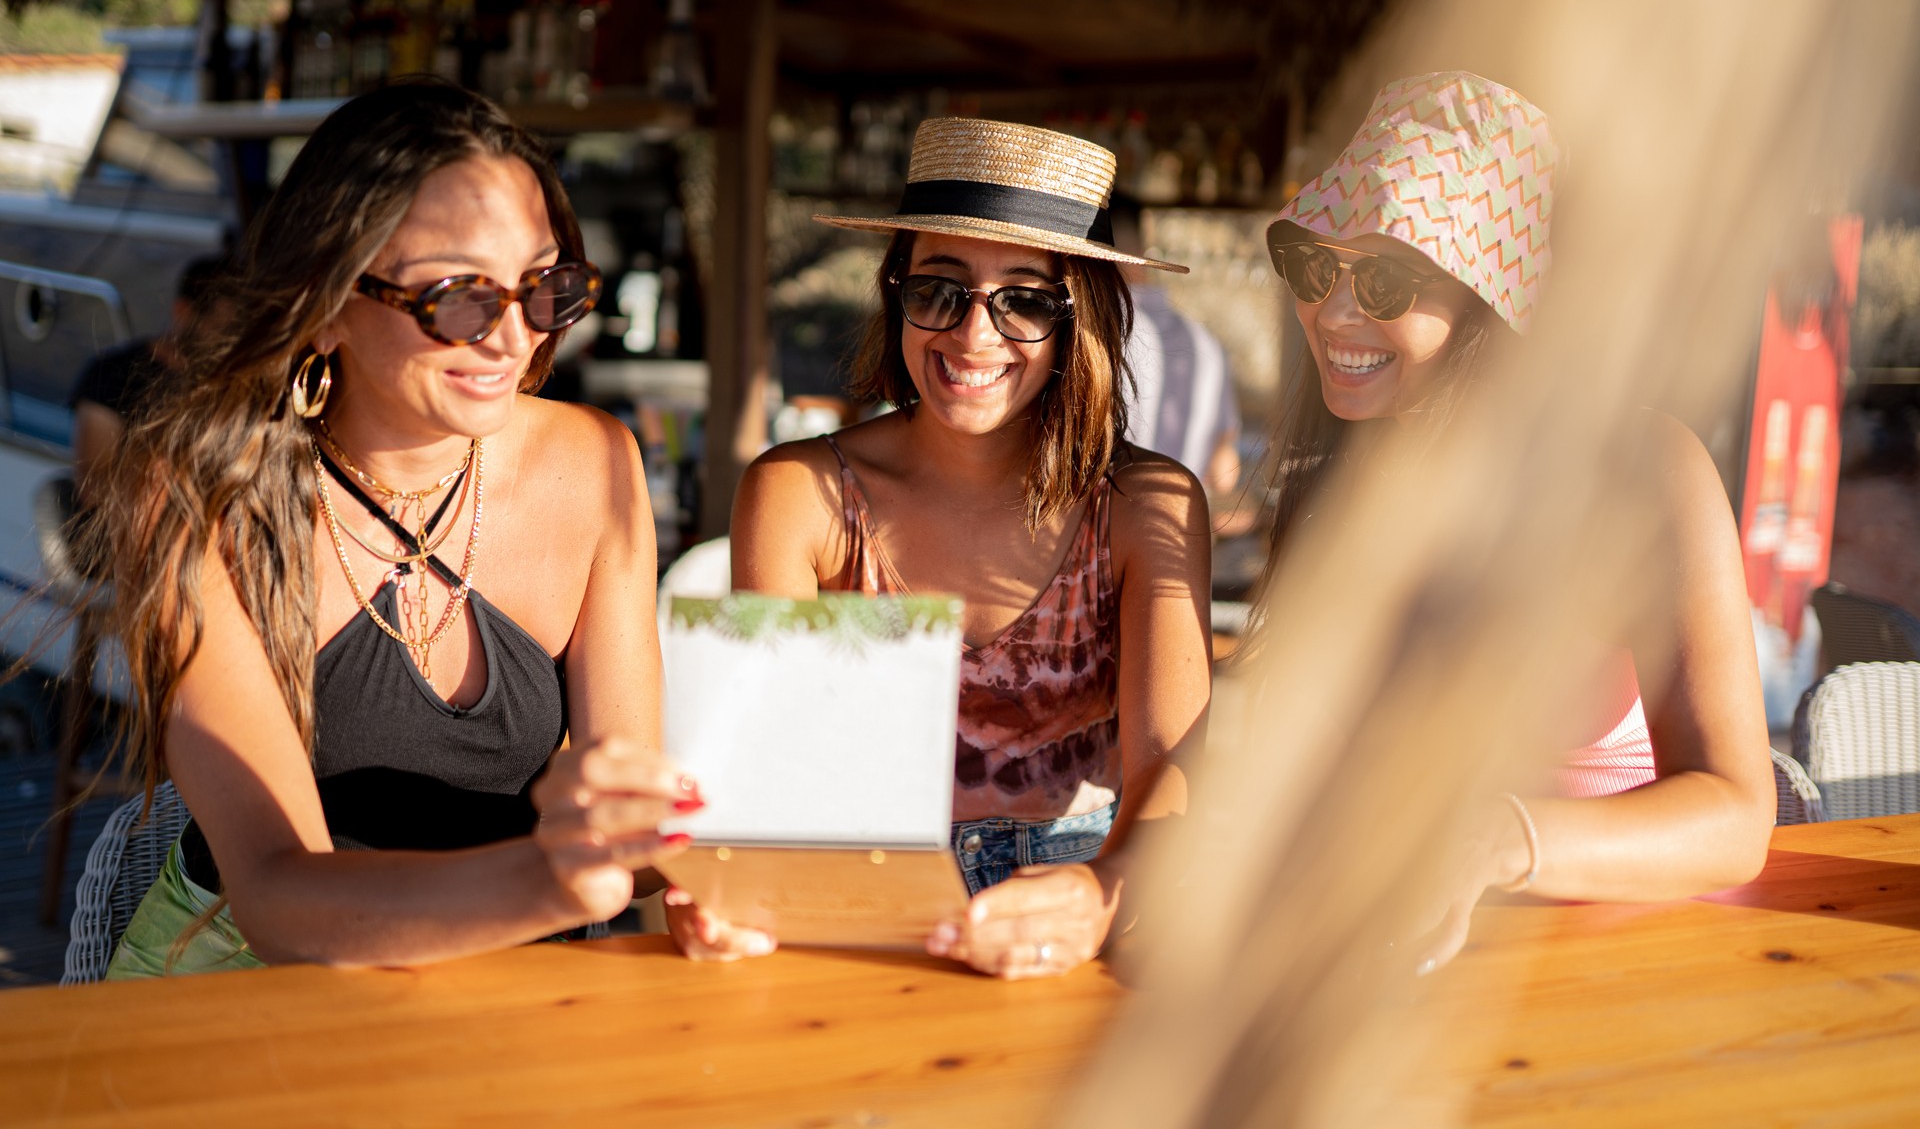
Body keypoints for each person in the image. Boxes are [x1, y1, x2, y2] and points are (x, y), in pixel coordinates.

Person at [100, 78, 694, 977]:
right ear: (328, 302)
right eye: (458, 296)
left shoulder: (595, 463)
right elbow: (276, 901)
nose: (512, 340)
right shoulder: (203, 496)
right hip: (242, 992)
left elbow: (638, 847)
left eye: (543, 288)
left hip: (515, 990)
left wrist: (678, 856)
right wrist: (552, 878)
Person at [1258, 71, 1775, 970]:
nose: (1332, 313)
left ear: (1497, 305)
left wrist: (1497, 840)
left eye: (1384, 279)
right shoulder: (1344, 486)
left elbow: (1735, 816)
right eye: (1316, 266)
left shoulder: (1640, 475)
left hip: (1627, 973)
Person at [677, 117, 1215, 979]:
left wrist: (1102, 893)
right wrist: (729, 893)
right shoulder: (798, 493)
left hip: (1088, 890)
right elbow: (779, 766)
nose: (972, 335)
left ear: (1080, 322)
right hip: (864, 894)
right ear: (895, 294)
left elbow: (1172, 769)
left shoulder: (1146, 503)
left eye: (1026, 300)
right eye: (939, 290)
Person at [1110, 195, 1242, 496]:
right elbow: (1223, 473)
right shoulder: (1205, 343)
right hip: (1178, 524)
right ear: (1143, 250)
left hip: (1098, 528)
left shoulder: (1088, 331)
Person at [69, 253, 229, 503]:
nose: (232, 344)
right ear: (183, 312)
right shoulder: (111, 376)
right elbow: (94, 490)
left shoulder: (232, 383)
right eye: (222, 329)